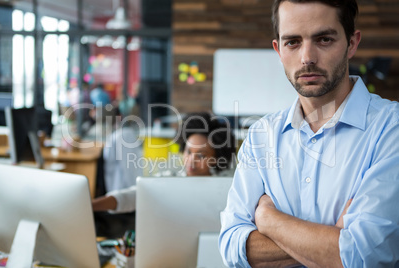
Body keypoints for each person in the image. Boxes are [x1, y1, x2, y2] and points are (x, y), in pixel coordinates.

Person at [219, 0, 399, 267]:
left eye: (324, 39)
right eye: (292, 42)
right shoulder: (260, 136)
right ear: (278, 50)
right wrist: (333, 239)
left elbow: (363, 256)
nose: (307, 58)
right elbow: (233, 249)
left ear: (352, 43)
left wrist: (270, 220)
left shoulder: (391, 128)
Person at [92, 112, 236, 213]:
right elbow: (133, 195)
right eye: (188, 152)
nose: (191, 161)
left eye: (201, 156)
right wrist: (91, 205)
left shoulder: (227, 188)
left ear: (216, 159)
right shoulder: (170, 177)